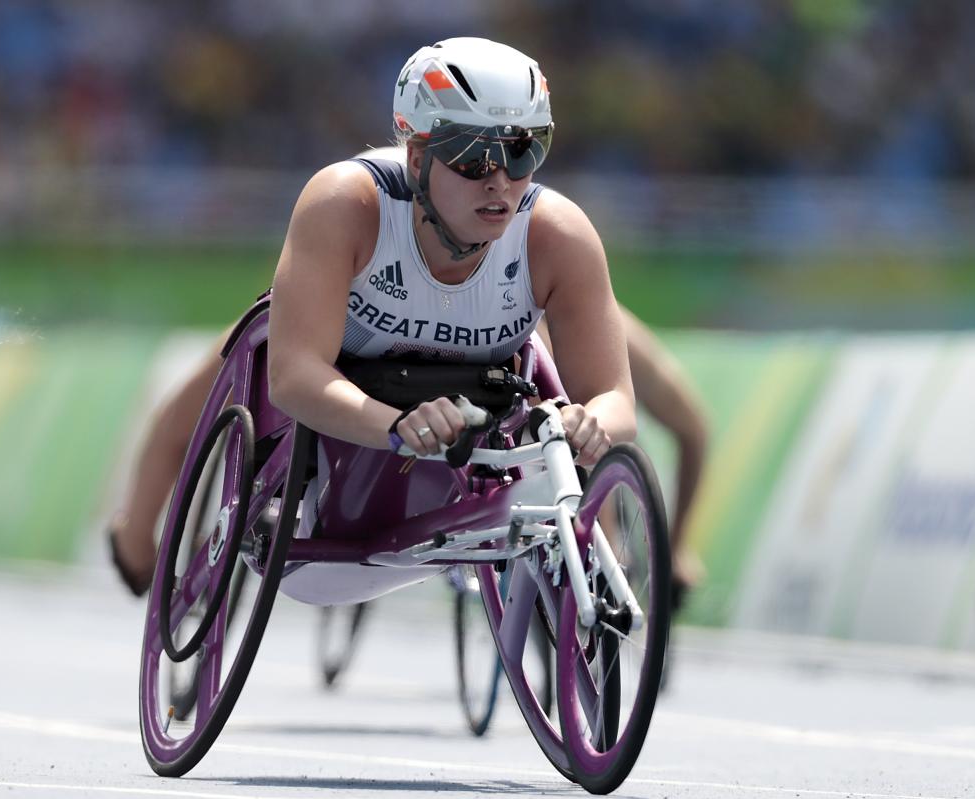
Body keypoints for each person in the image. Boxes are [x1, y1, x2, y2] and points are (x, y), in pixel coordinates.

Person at [109, 37, 706, 601]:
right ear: (416, 155)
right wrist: (397, 427)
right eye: (474, 157)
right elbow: (290, 378)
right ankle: (133, 531)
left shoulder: (559, 236)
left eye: (523, 151)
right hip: (345, 398)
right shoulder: (345, 204)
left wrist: (590, 423)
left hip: (460, 419)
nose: (501, 180)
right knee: (230, 361)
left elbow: (618, 400)